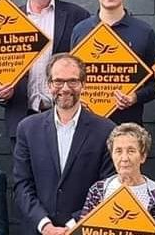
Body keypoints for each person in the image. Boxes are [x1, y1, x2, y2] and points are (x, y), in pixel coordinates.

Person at [0, 0, 91, 141]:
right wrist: (1, 93)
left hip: (65, 117)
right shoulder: (7, 21)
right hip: (22, 119)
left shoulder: (78, 17)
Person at [13, 53, 116, 235]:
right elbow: (22, 184)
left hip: (83, 230)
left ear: (83, 84)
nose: (65, 88)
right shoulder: (28, 128)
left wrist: (73, 225)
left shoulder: (106, 130)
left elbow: (107, 187)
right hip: (38, 230)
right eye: (58, 81)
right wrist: (45, 224)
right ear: (49, 84)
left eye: (73, 81)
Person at [69, 0, 155, 125]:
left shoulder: (144, 32)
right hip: (87, 126)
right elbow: (72, 77)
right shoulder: (80, 31)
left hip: (128, 126)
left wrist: (135, 97)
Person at [76, 123, 155, 234]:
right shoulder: (98, 190)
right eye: (118, 151)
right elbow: (83, 230)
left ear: (143, 156)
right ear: (112, 155)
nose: (124, 158)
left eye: (131, 151)